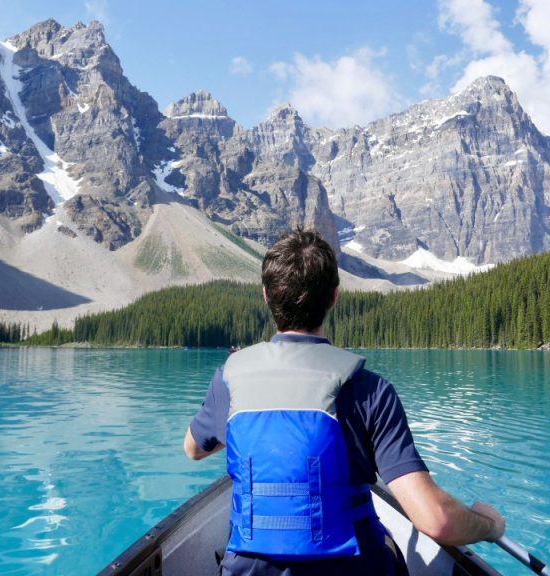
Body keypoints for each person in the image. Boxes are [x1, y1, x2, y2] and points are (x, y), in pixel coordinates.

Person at [184, 227, 505, 575]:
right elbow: (435, 520)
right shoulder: (369, 390)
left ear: (266, 296)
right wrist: (489, 525)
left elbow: (194, 449)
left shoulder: (229, 380)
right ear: (335, 296)